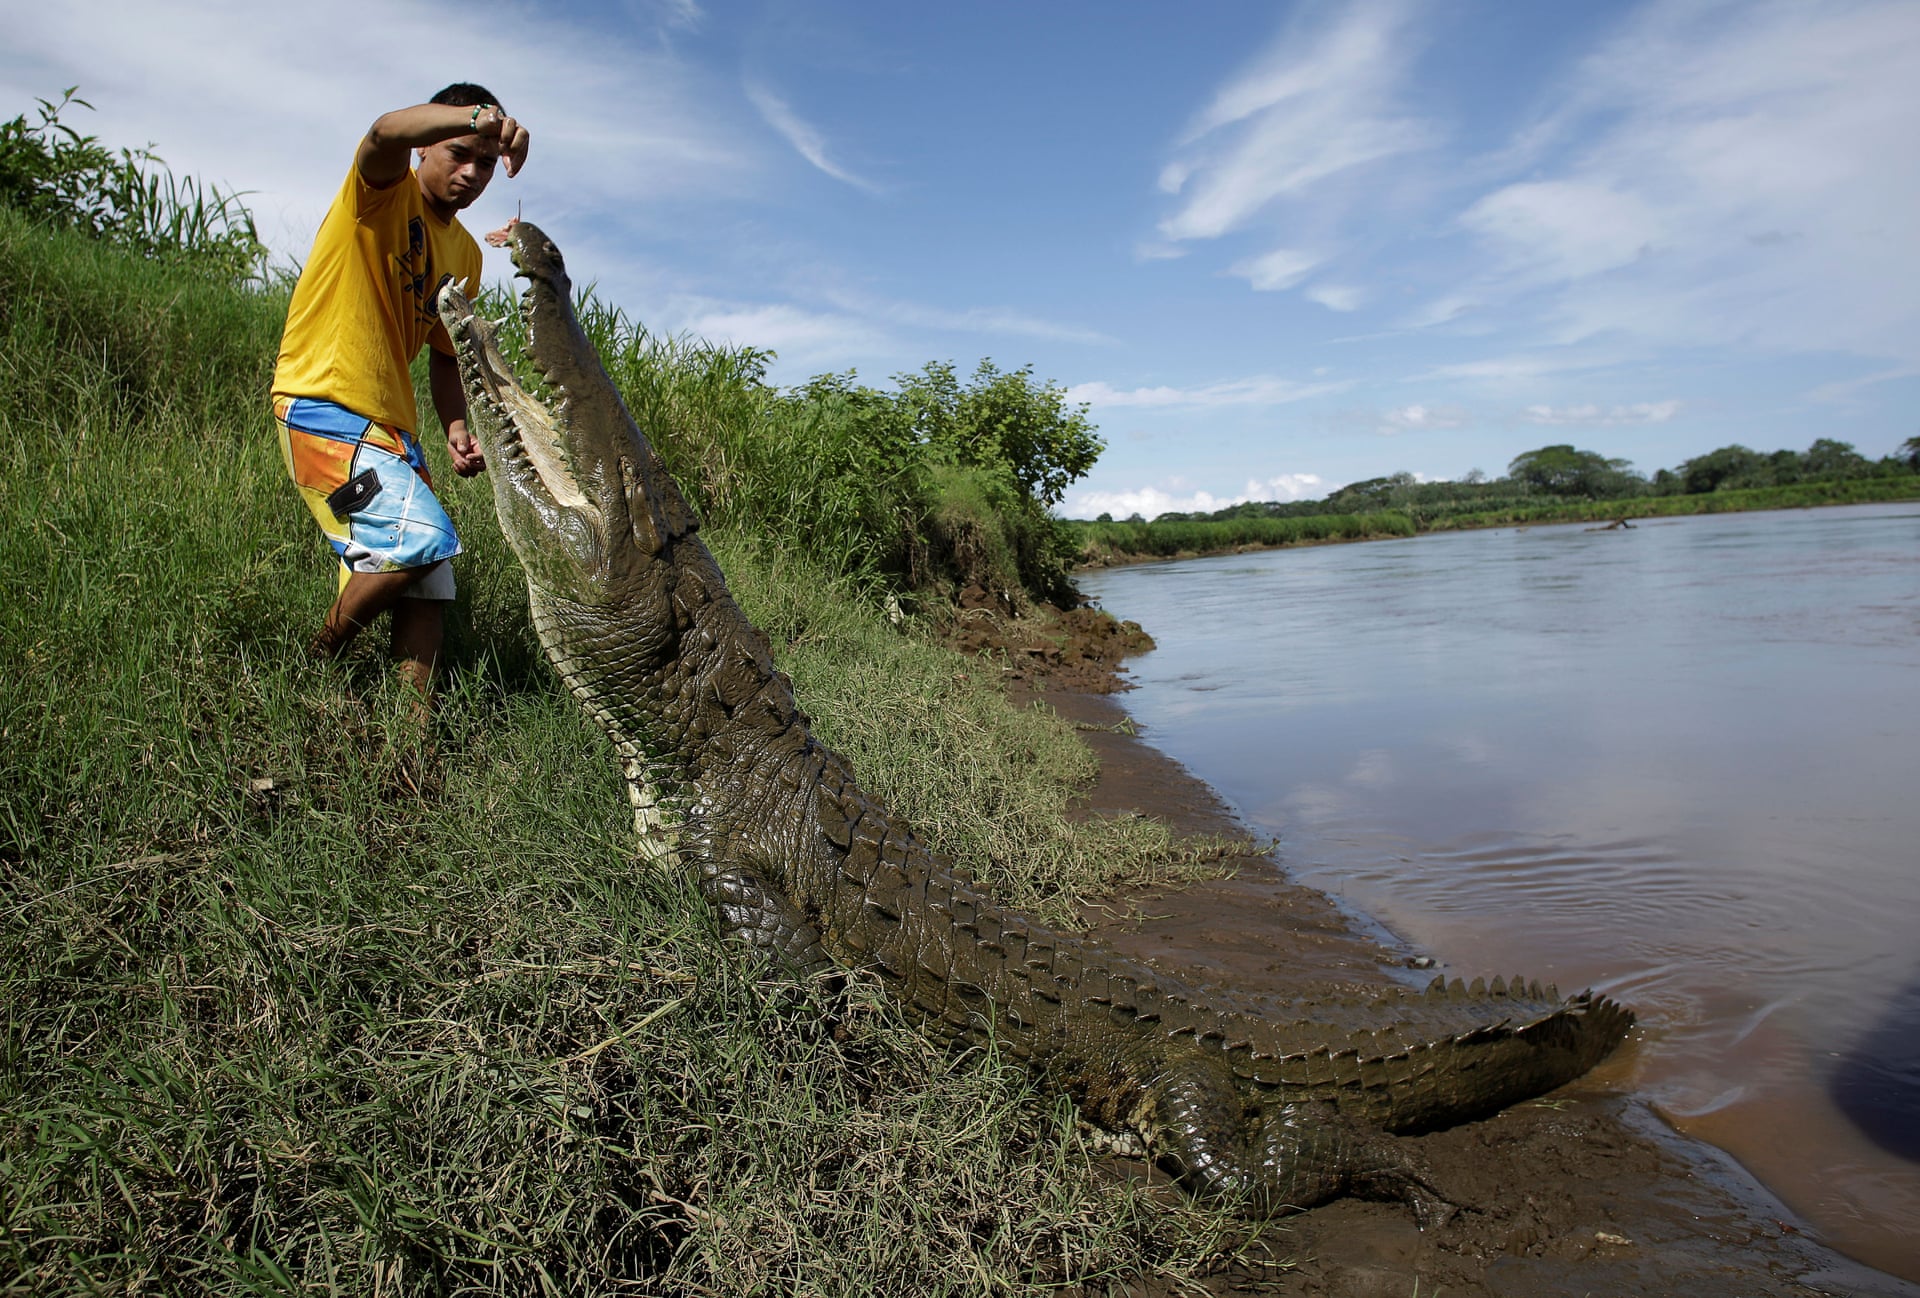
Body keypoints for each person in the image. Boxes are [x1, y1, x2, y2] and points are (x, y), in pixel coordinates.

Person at [270, 85, 530, 695]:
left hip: (393, 427)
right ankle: (312, 667)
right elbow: (385, 130)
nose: (471, 173)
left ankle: (409, 749)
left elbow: (445, 355)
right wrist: (478, 119)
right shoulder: (381, 192)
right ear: (424, 149)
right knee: (419, 538)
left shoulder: (466, 253)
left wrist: (455, 428)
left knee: (428, 580)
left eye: (486, 163)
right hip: (324, 399)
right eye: (458, 153)